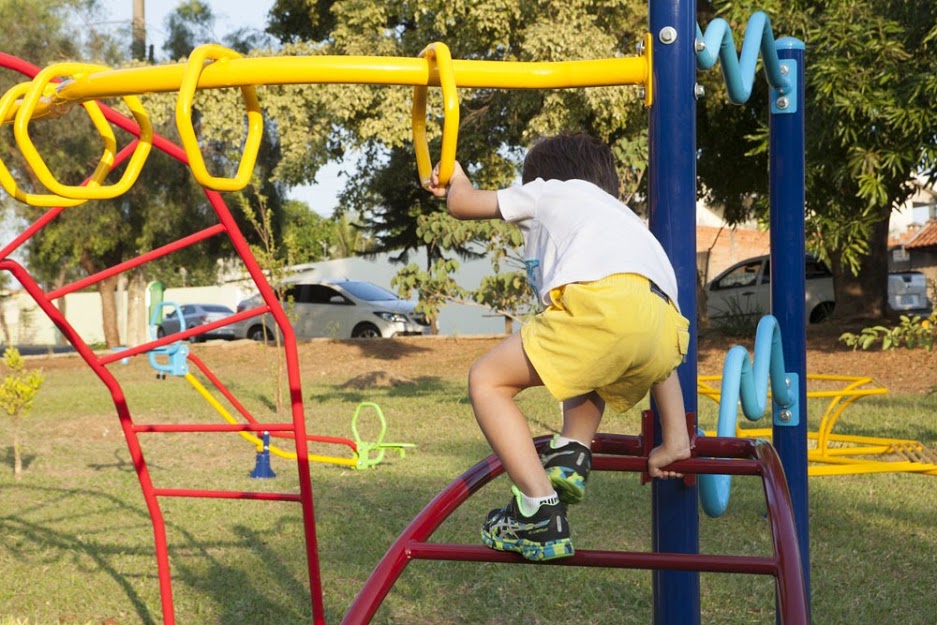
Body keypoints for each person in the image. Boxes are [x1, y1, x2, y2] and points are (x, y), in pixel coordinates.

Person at [426, 131, 692, 562]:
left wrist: (455, 176)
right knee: (589, 358)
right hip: (665, 324)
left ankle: (538, 510)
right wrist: (675, 439)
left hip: (601, 307)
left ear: (540, 179)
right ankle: (572, 453)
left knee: (487, 380)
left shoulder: (547, 192)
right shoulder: (620, 220)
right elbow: (646, 342)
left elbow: (462, 204)